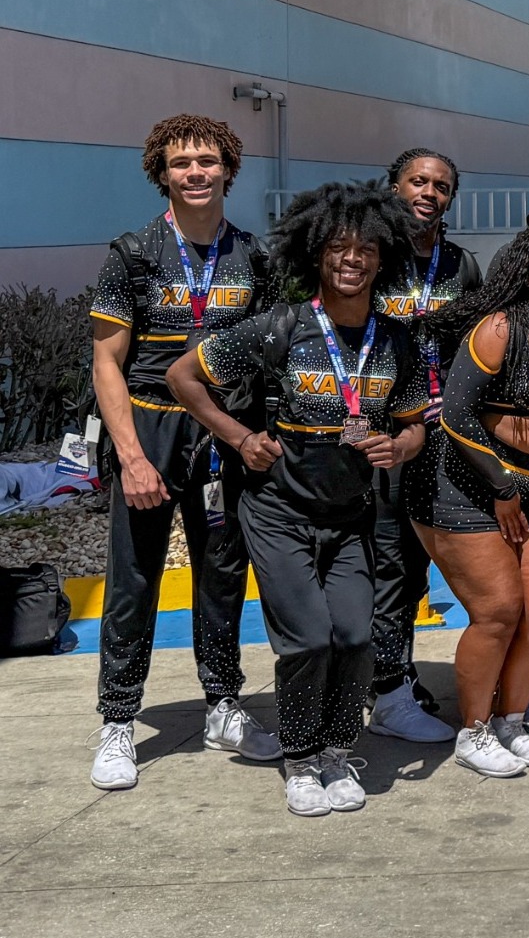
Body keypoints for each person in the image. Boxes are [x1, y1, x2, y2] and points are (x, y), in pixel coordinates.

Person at [169, 183, 428, 815]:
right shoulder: (278, 327)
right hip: (278, 509)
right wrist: (239, 437)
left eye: (367, 248)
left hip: (350, 515)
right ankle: (301, 759)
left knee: (357, 634)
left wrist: (400, 445)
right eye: (339, 247)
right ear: (314, 254)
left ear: (384, 258)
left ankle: (339, 752)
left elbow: (418, 422)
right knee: (309, 638)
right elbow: (183, 376)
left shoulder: (398, 341)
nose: (353, 259)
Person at [88, 113, 280, 791]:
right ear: (161, 174)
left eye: (206, 160)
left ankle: (223, 704)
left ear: (229, 169)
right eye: (180, 163)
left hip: (222, 433)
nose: (194, 172)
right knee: (134, 578)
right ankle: (117, 721)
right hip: (151, 426)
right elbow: (106, 363)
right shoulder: (134, 253)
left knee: (222, 572)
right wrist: (132, 457)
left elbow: (274, 353)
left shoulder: (256, 257)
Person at [408, 212, 529, 777]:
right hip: (465, 485)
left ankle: (512, 719)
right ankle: (475, 729)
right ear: (527, 271)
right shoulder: (500, 326)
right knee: (497, 611)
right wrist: (502, 484)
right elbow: (458, 415)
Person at [367, 148, 482, 745]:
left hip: (442, 438)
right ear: (393, 186)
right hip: (381, 437)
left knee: (418, 569)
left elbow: (478, 349)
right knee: (389, 564)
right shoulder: (369, 257)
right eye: (417, 180)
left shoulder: (461, 266)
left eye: (441, 185)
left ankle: (397, 676)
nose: (429, 192)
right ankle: (387, 691)